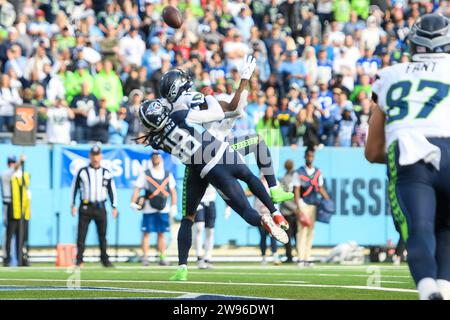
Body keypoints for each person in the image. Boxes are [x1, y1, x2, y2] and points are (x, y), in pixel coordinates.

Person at [138, 97, 289, 281]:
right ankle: (274, 210)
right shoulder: (179, 113)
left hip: (200, 171)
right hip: (221, 154)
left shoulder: (156, 140)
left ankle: (182, 268)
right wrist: (207, 96)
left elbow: (156, 129)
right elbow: (214, 112)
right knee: (249, 177)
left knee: (189, 218)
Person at [365, 14, 450, 300]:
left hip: (411, 153)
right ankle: (445, 291)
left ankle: (427, 290)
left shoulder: (390, 75)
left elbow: (373, 151)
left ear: (413, 44)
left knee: (419, 228)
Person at [70, 145, 118, 267]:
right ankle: (79, 259)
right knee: (81, 234)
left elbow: (112, 190)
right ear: (90, 156)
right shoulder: (82, 171)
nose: (95, 158)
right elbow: (74, 188)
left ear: (101, 156)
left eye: (97, 155)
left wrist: (114, 206)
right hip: (85, 206)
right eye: (93, 155)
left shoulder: (106, 172)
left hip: (101, 206)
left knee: (102, 235)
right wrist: (73, 204)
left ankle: (104, 259)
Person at [130, 151, 177, 266]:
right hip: (148, 208)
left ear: (160, 159)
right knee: (146, 233)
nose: (155, 159)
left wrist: (173, 205)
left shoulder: (167, 174)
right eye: (153, 157)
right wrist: (133, 202)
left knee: (161, 233)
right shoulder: (145, 174)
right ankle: (145, 257)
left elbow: (173, 191)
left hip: (163, 208)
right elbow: (137, 188)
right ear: (151, 159)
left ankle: (162, 256)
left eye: (157, 157)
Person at [294, 147, 331, 267]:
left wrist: (328, 200)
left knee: (311, 231)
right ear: (305, 157)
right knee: (302, 231)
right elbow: (297, 190)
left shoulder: (317, 172)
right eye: (308, 156)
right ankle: (300, 258)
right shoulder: (299, 172)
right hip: (303, 203)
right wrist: (298, 206)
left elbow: (320, 188)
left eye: (311, 156)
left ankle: (307, 257)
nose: (310, 158)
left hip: (314, 204)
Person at [1, 155, 30, 266]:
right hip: (8, 205)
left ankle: (20, 257)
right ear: (9, 163)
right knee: (9, 233)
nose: (13, 164)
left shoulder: (17, 175)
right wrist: (21, 161)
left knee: (20, 233)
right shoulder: (6, 174)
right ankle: (7, 258)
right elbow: (15, 169)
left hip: (18, 206)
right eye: (11, 162)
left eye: (14, 162)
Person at [193, 185, 217, 269]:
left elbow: (223, 187)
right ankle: (199, 256)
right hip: (199, 200)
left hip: (211, 201)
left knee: (210, 230)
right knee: (199, 227)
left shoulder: (216, 173)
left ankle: (208, 257)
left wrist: (227, 206)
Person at [279, 159, 298, 263]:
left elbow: (282, 196)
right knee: (295, 235)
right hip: (292, 211)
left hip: (287, 211)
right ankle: (297, 255)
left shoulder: (283, 179)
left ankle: (290, 256)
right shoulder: (295, 178)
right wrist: (295, 208)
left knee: (289, 236)